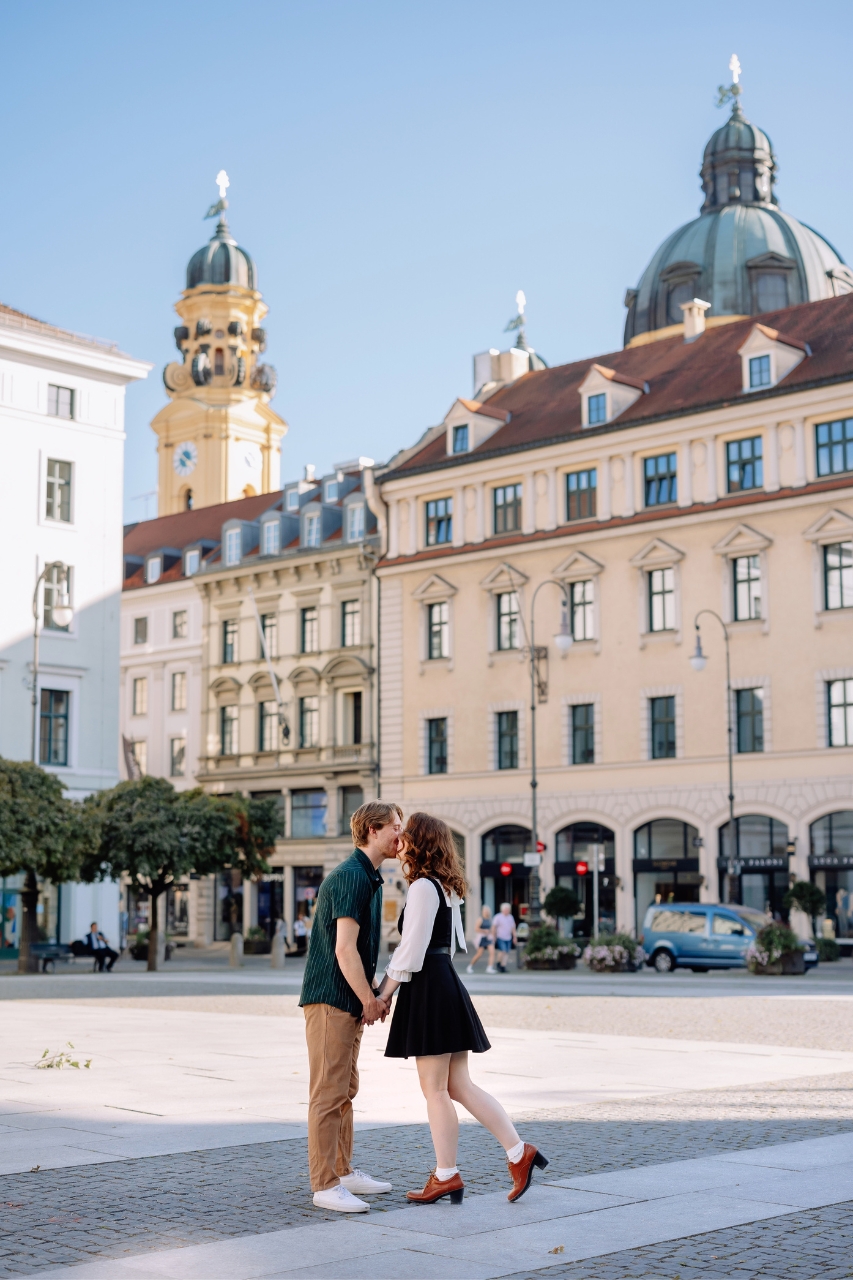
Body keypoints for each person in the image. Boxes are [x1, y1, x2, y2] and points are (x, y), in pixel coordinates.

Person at [378, 812, 548, 1205]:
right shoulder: (445, 887)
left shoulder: (422, 886)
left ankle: (446, 1175)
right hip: (445, 981)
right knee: (458, 1085)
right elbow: (451, 947)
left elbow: (410, 949)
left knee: (435, 1089)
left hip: (430, 987)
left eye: (405, 833)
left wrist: (385, 992)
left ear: (418, 841)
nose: (399, 838)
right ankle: (518, 1153)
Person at [299, 800, 403, 1214]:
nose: (401, 833)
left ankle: (341, 1172)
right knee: (328, 1093)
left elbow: (356, 949)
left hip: (345, 1001)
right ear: (373, 830)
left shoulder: (368, 877)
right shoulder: (350, 877)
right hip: (331, 1000)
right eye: (396, 826)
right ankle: (324, 1185)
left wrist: (372, 994)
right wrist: (370, 999)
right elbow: (344, 950)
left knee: (345, 1090)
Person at [466, 904, 495, 974]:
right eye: (485, 911)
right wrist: (484, 931)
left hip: (488, 938)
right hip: (482, 938)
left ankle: (489, 967)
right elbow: (476, 929)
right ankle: (470, 966)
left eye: (487, 911)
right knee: (479, 954)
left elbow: (491, 928)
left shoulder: (490, 919)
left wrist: (492, 934)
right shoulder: (480, 919)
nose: (486, 912)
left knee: (492, 952)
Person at [491, 902, 517, 973]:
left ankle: (503, 966)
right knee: (503, 951)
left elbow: (513, 928)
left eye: (508, 909)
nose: (507, 911)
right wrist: (493, 936)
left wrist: (514, 937)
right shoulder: (498, 917)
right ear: (502, 910)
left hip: (508, 937)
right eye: (506, 909)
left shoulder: (510, 917)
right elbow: (494, 927)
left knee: (507, 952)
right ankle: (499, 963)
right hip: (500, 937)